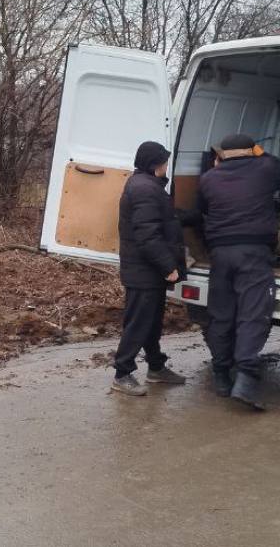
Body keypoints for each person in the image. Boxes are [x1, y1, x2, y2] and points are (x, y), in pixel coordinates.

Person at [196, 134, 280, 410]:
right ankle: (246, 379)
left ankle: (222, 376)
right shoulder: (265, 168)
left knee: (221, 314)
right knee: (252, 312)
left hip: (220, 254)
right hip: (253, 251)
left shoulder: (208, 179)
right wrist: (262, 153)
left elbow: (201, 209)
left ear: (222, 154)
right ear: (252, 150)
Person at [112, 141, 187, 396]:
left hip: (147, 271)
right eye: (165, 162)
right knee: (138, 323)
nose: (167, 166)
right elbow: (147, 235)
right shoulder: (145, 189)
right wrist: (169, 267)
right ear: (155, 165)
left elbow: (160, 219)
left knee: (152, 323)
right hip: (144, 272)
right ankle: (122, 373)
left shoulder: (146, 186)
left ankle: (155, 367)